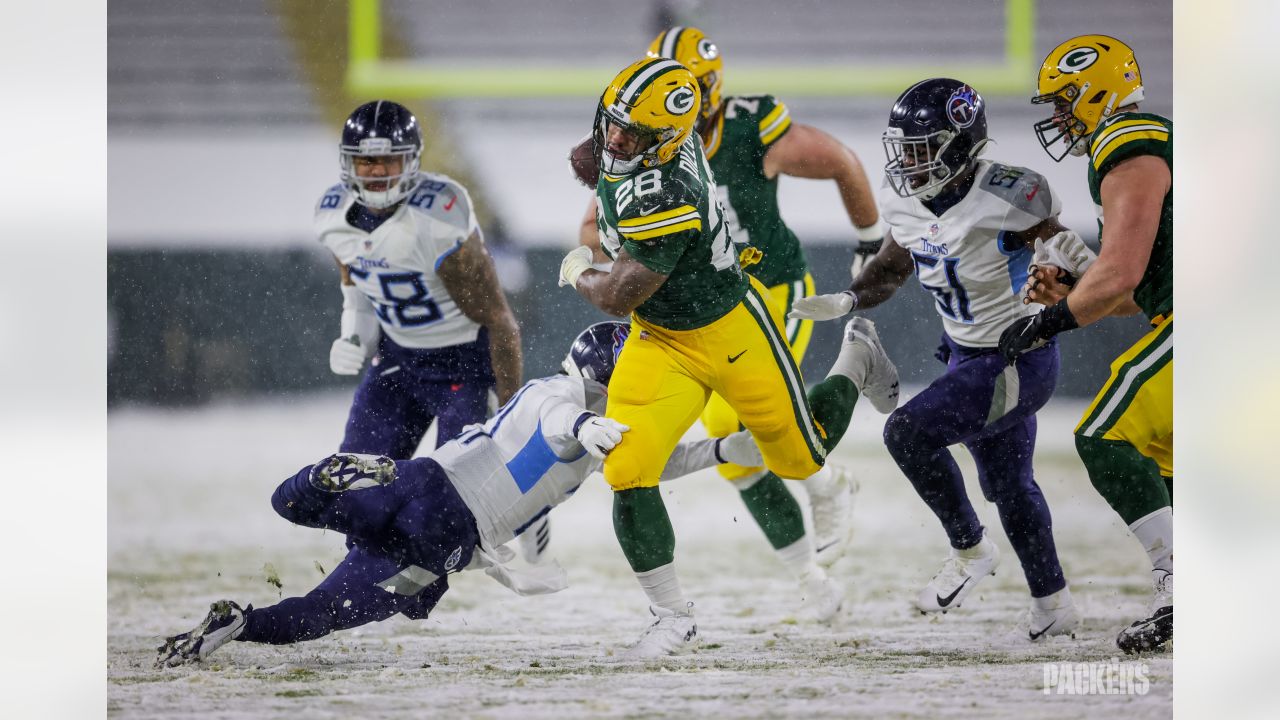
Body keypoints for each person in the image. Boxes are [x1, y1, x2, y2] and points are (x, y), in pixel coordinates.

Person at [156, 322, 766, 668]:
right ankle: (320, 496)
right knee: (373, 604)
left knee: (293, 518)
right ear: (609, 373)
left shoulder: (598, 420)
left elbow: (650, 461)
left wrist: (715, 452)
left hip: (416, 486)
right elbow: (556, 416)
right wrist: (584, 425)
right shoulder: (562, 398)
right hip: (443, 525)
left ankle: (239, 620)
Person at [558, 57, 899, 658]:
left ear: (664, 143)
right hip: (660, 339)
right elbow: (597, 157)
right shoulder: (645, 145)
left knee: (800, 458)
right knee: (626, 469)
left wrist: (583, 270)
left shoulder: (669, 188)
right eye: (611, 124)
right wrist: (597, 157)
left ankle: (858, 358)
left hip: (730, 330)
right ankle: (671, 616)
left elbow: (616, 296)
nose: (613, 140)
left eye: (630, 134)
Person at [790, 78, 1083, 640]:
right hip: (967, 357)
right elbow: (894, 267)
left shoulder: (1010, 195)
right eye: (903, 149)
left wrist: (1068, 277)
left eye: (922, 149)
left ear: (959, 143)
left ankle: (970, 550)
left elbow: (1078, 265)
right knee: (1010, 486)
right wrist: (850, 297)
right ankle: (1055, 604)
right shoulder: (906, 198)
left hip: (1019, 358)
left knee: (906, 432)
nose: (909, 162)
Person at [999, 35, 1173, 654]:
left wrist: (1052, 322)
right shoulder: (1145, 141)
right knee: (1166, 458)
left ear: (1094, 89)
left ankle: (1182, 587)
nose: (1059, 116)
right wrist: (1074, 291)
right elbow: (1140, 288)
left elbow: (1122, 273)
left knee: (1101, 432)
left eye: (1064, 100)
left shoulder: (1128, 143)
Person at [318, 100, 523, 459]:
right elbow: (357, 288)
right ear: (349, 162)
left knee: (459, 494)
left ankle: (530, 519)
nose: (377, 171)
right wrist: (352, 333)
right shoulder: (333, 215)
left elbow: (499, 319)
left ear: (411, 161)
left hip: (463, 365)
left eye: (389, 160)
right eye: (366, 161)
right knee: (355, 484)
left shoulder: (438, 218)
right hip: (398, 359)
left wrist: (510, 410)